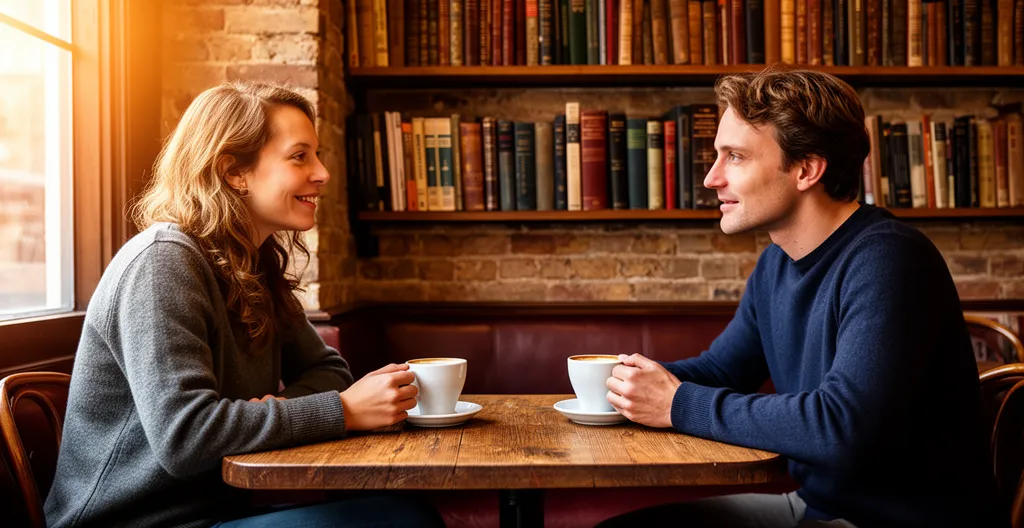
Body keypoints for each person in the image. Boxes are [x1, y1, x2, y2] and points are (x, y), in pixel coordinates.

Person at [598, 68, 1001, 527]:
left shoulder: (889, 259)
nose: (711, 178)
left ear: (806, 169)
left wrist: (676, 404)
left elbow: (841, 425)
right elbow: (723, 371)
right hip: (818, 510)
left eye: (735, 157)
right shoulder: (777, 263)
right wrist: (620, 383)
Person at [44, 81, 444, 528]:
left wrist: (268, 412)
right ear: (234, 171)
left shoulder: (253, 263)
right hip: (139, 524)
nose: (323, 173)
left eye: (317, 155)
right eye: (300, 156)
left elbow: (329, 371)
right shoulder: (162, 262)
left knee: (402, 511)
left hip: (219, 511)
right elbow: (186, 437)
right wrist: (342, 411)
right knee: (404, 520)